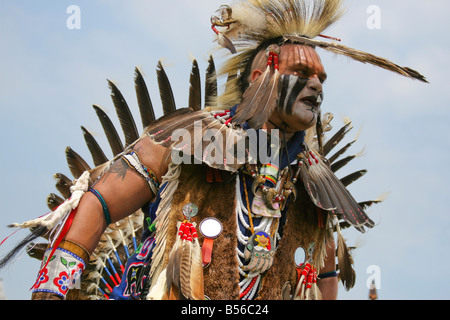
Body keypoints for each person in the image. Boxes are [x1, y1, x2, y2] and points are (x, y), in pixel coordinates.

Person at [1, 0, 426, 300]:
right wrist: (53, 293)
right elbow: (97, 204)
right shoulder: (192, 139)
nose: (316, 84)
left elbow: (325, 269)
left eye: (321, 78)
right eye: (302, 71)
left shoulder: (313, 180)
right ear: (263, 74)